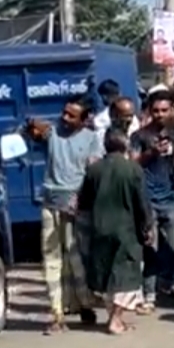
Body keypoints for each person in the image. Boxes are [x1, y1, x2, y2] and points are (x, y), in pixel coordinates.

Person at [27, 95, 104, 333]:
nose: (65, 118)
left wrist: (82, 199)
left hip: (76, 205)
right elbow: (32, 130)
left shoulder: (92, 139)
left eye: (72, 115)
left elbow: (93, 173)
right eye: (64, 113)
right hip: (50, 202)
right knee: (51, 258)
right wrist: (32, 125)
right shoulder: (52, 132)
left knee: (76, 257)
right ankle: (57, 314)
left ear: (85, 119)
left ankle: (84, 303)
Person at [79, 128, 153, 335]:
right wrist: (147, 226)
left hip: (99, 229)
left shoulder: (94, 170)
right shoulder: (133, 170)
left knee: (106, 274)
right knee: (125, 275)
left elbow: (83, 202)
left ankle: (114, 317)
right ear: (125, 145)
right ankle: (115, 319)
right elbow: (142, 203)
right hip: (126, 231)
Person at [131, 89, 174, 307]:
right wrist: (151, 153)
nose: (160, 115)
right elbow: (133, 164)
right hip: (147, 200)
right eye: (156, 110)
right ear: (149, 111)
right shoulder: (139, 136)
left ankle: (169, 283)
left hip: (170, 199)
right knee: (150, 249)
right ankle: (149, 294)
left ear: (171, 111)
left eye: (164, 110)